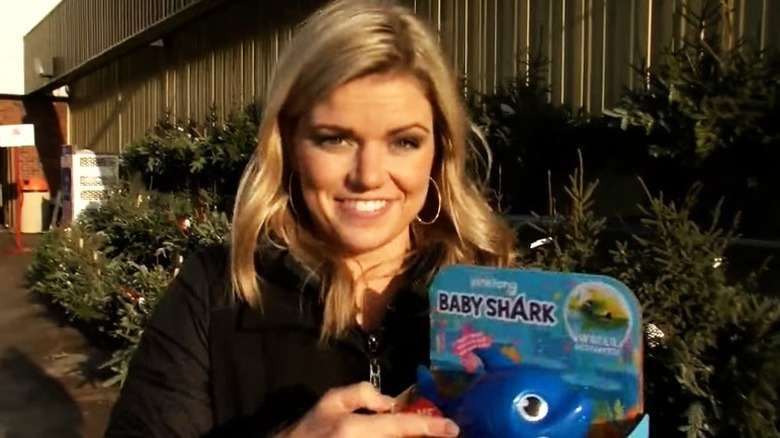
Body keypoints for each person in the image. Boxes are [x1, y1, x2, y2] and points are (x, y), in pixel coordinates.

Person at [104, 0, 518, 436]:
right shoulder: (215, 293)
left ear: (439, 150)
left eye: (404, 142)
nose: (369, 176)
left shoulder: (497, 295)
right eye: (335, 139)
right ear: (289, 144)